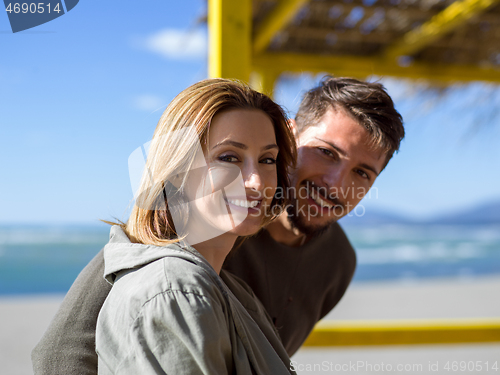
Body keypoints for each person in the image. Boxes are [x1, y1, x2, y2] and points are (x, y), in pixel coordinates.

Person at [32, 77, 404, 374]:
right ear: (288, 136)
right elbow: (60, 354)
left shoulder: (338, 262)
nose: (336, 184)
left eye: (362, 172)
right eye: (326, 152)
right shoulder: (196, 223)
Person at [92, 78, 298, 374]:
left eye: (267, 159)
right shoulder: (175, 290)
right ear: (176, 171)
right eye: (229, 158)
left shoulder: (227, 288)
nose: (256, 182)